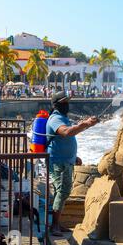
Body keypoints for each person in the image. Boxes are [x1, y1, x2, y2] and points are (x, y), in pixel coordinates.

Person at [46, 91, 99, 236]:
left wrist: (74, 156)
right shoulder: (55, 118)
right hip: (58, 161)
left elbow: (66, 140)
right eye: (64, 102)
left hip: (66, 160)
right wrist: (86, 124)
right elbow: (67, 133)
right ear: (57, 105)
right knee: (62, 191)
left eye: (67, 102)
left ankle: (57, 223)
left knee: (63, 191)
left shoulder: (62, 117)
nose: (67, 105)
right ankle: (54, 225)